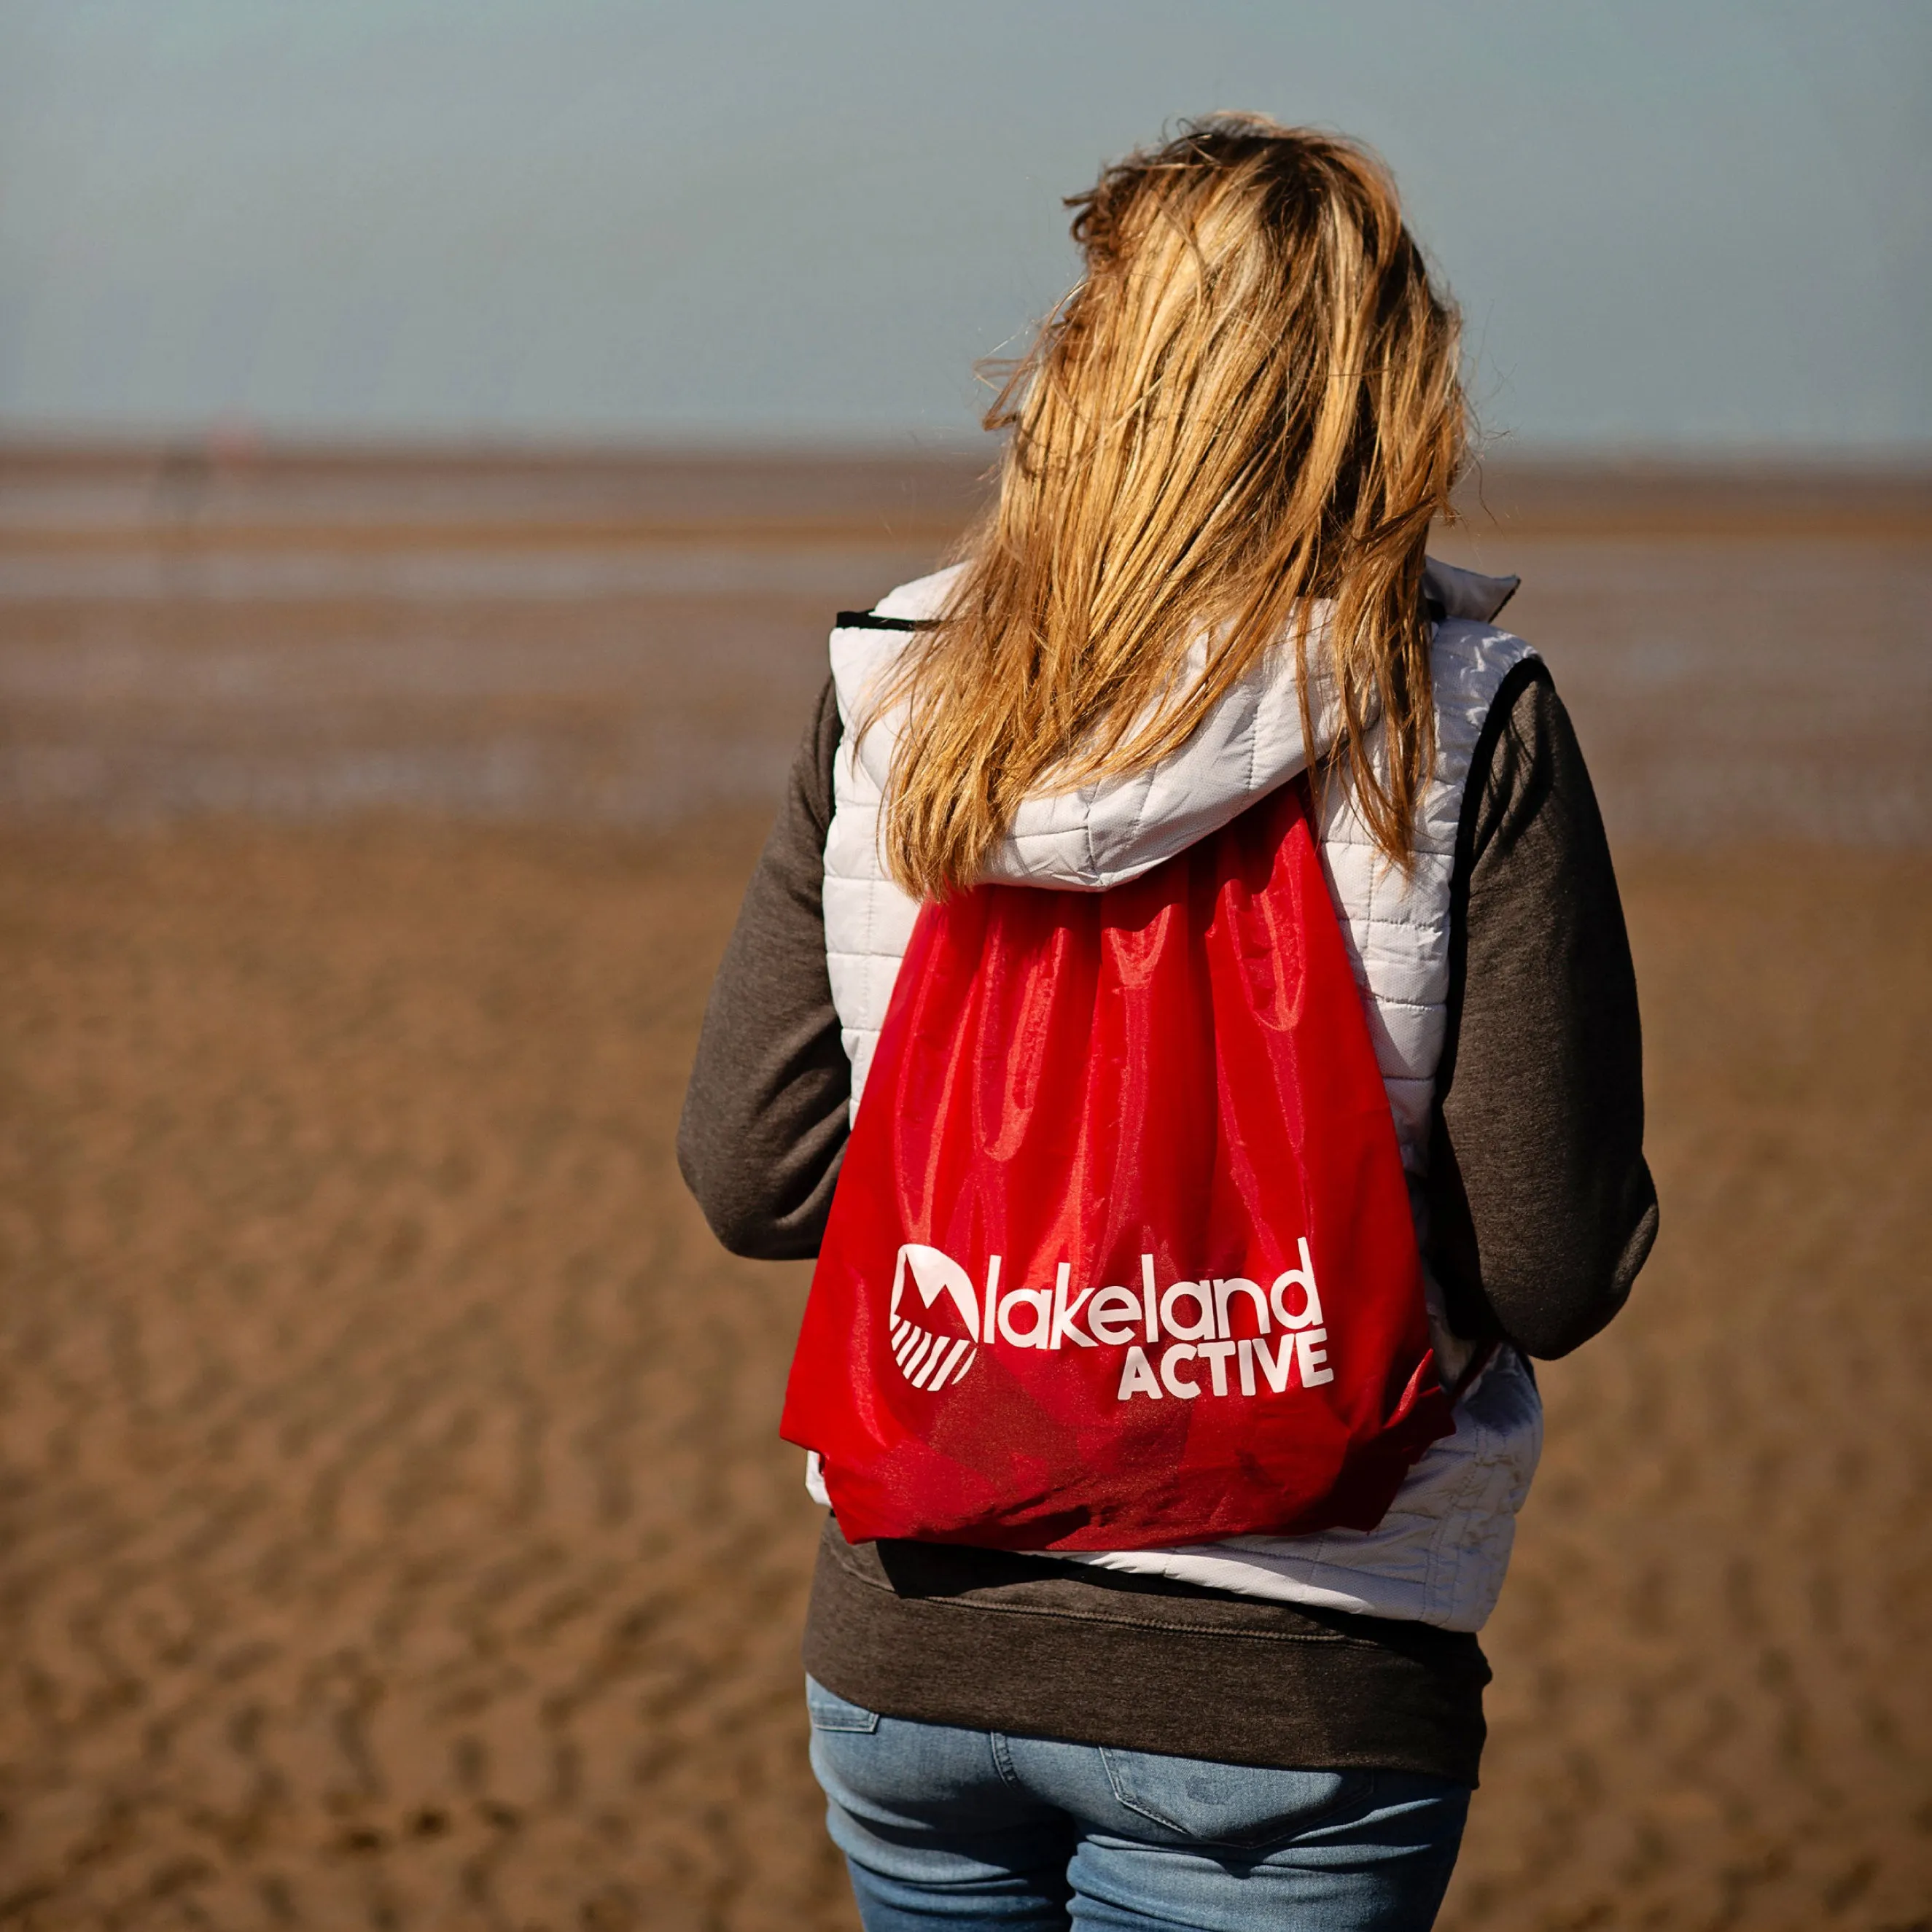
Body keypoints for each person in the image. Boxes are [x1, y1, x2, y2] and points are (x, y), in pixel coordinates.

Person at [679, 116, 1656, 1932]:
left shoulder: (895, 679)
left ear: (1085, 374)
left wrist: (1015, 1242)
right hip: (1293, 1683)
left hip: (918, 1646)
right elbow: (1552, 1267)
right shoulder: (1462, 718)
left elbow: (748, 1171)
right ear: (1379, 396)